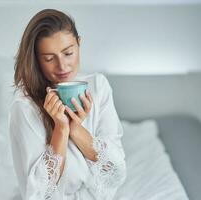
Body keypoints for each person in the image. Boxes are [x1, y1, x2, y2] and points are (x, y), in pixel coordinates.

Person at [8, 8, 126, 200]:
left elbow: (116, 172)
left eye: (68, 53)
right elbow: (37, 194)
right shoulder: (24, 107)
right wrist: (61, 130)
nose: (62, 66)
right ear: (36, 60)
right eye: (49, 58)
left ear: (79, 44)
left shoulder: (98, 86)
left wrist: (76, 130)